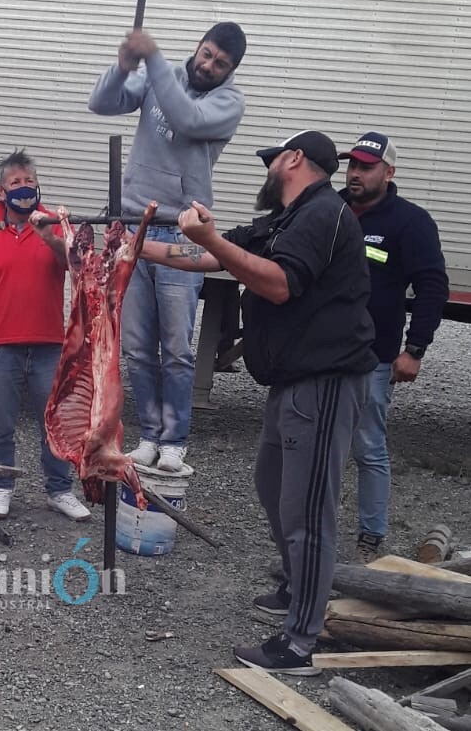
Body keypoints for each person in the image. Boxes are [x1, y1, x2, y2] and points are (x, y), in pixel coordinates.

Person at [137, 130, 376, 675]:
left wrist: (215, 240)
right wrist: (130, 247)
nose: (266, 174)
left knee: (307, 512)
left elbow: (279, 285)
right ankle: (296, 585)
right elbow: (205, 255)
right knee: (272, 485)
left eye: (272, 163)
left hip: (325, 380)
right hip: (291, 381)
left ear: (294, 160)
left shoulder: (322, 214)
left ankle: (299, 644)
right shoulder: (286, 220)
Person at [88, 21, 247, 472]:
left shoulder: (228, 103)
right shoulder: (167, 76)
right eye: (207, 53)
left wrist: (152, 57)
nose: (209, 65)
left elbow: (186, 119)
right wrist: (122, 67)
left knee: (176, 348)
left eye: (221, 63)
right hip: (135, 228)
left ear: (230, 71)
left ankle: (174, 440)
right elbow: (100, 103)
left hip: (183, 232)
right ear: (198, 47)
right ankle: (150, 435)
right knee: (137, 346)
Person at [0, 148, 91, 523]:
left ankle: (59, 490)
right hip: (0, 347)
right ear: (1, 192)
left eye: (29, 182)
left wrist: (46, 233)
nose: (24, 188)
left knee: (54, 422)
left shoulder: (53, 227)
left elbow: (77, 266)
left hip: (49, 345)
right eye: (15, 183)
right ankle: (1, 487)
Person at [338, 131, 449, 556]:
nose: (355, 173)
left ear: (389, 172)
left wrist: (415, 348)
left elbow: (432, 287)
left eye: (366, 166)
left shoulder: (409, 222)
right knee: (318, 444)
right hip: (321, 353)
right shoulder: (330, 210)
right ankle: (310, 521)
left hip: (373, 357)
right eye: (352, 165)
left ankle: (371, 532)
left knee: (367, 444)